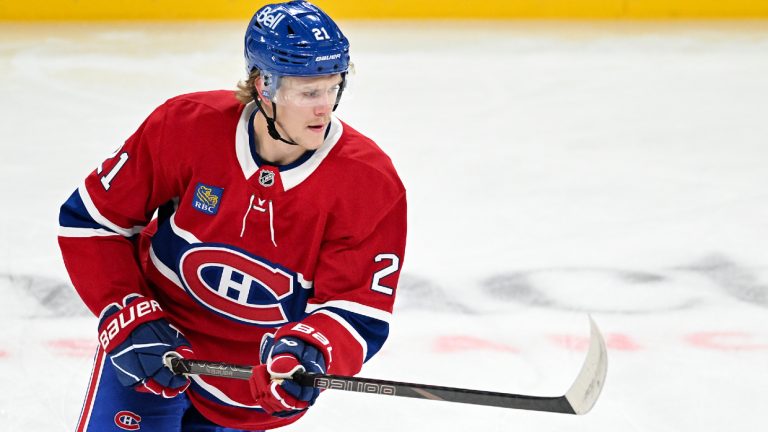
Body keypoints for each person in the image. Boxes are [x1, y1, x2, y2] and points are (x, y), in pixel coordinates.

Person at [57, 1, 407, 430]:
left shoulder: (368, 182)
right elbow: (93, 221)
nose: (325, 107)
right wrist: (128, 315)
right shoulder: (186, 126)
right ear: (264, 86)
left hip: (252, 392)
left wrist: (307, 352)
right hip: (153, 356)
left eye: (333, 87)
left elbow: (356, 308)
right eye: (308, 92)